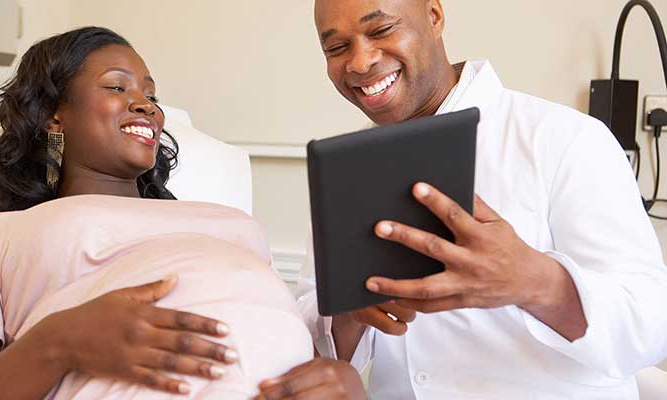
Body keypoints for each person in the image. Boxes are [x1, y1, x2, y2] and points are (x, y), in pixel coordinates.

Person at [260, 0, 667, 399]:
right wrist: (349, 313)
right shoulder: (344, 173)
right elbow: (314, 341)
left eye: (381, 30)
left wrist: (536, 282)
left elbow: (652, 326)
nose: (360, 62)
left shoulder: (566, 139)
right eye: (336, 48)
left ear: (434, 15)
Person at [0, 26, 327, 400]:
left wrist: (335, 379)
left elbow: (290, 343)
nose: (145, 105)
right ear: (55, 116)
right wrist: (57, 343)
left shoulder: (221, 218)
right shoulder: (1, 235)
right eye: (116, 87)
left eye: (151, 94)